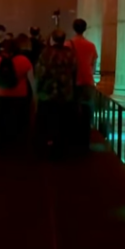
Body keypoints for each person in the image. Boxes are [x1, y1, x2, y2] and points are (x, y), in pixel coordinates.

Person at [35, 29, 78, 158]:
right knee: (63, 122)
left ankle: (47, 147)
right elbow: (75, 72)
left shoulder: (46, 53)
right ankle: (62, 148)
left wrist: (37, 91)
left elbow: (40, 74)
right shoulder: (70, 54)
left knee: (47, 122)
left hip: (47, 93)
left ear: (52, 39)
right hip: (65, 93)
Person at [0, 39, 35, 154]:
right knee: (17, 121)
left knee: (2, 121)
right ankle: (17, 148)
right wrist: (34, 95)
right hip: (20, 96)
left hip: (1, 94)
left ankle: (1, 148)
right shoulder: (24, 60)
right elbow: (32, 80)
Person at [67, 18, 99, 149]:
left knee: (72, 111)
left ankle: (73, 138)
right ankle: (85, 140)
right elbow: (93, 65)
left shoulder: (68, 45)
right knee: (87, 112)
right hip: (87, 81)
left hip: (72, 82)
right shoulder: (91, 45)